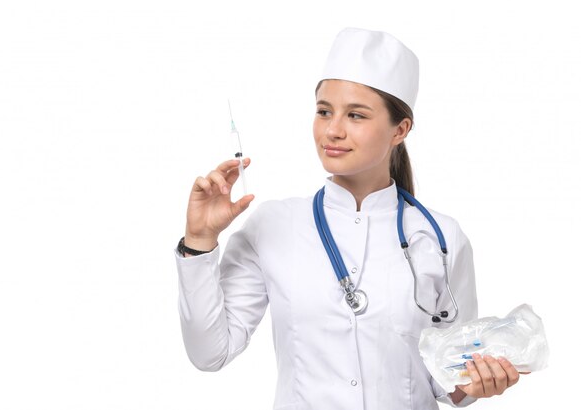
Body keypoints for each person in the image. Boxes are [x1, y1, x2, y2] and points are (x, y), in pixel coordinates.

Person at [174, 28, 523, 410]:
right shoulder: (273, 226)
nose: (333, 130)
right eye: (324, 111)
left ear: (400, 130)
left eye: (355, 115)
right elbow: (210, 353)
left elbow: (450, 381)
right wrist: (200, 239)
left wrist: (477, 384)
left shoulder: (440, 238)